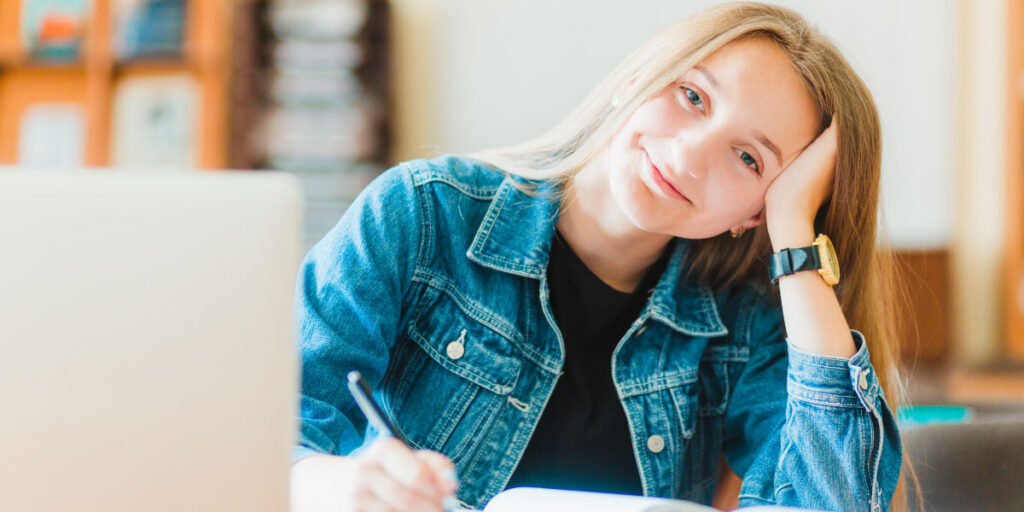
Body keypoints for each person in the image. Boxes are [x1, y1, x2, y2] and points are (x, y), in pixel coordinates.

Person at [289, 2, 908, 511]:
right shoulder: (421, 216)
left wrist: (797, 237)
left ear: (756, 212)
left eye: (749, 159)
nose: (691, 154)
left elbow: (835, 505)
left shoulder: (745, 321)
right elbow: (272, 430)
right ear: (640, 78)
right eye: (693, 96)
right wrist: (336, 484)